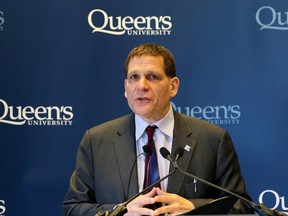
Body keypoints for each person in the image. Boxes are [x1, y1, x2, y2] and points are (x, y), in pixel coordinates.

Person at [62, 43, 252, 216]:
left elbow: (241, 208)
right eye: (134, 77)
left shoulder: (213, 139)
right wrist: (121, 212)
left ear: (173, 86)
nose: (141, 86)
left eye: (152, 77)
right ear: (126, 87)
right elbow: (73, 208)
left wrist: (194, 208)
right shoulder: (96, 141)